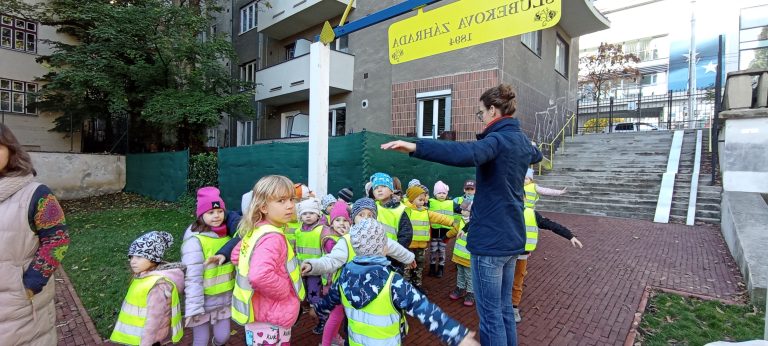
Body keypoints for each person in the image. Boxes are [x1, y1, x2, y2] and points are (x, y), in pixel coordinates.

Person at [381, 84, 543, 346]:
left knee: (491, 316)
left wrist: (415, 147)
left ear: (493, 109)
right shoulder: (520, 140)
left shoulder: (497, 140)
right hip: (513, 239)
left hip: (490, 241)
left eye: (481, 113)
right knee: (504, 312)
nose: (481, 118)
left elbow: (463, 152)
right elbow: (537, 153)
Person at [313, 219, 480, 346]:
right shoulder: (394, 282)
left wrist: (317, 310)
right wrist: (458, 337)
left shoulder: (343, 278)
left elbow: (327, 303)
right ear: (384, 247)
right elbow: (425, 310)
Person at [0, 123, 70, 345]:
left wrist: (31, 283)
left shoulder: (37, 194)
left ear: (11, 150)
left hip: (20, 310)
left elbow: (57, 240)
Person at [230, 175, 306, 345]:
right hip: (272, 317)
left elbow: (237, 256)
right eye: (281, 200)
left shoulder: (256, 230)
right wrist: (284, 290)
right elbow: (259, 275)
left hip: (258, 313)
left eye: (291, 199)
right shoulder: (273, 237)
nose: (290, 205)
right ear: (263, 207)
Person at [513, 169, 583, 322]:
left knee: (517, 281)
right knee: (505, 280)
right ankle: (502, 304)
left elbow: (550, 224)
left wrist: (569, 235)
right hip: (505, 254)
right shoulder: (505, 211)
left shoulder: (532, 214)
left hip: (522, 254)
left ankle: (513, 307)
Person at [299, 198, 416, 283]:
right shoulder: (346, 240)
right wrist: (312, 265)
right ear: (353, 218)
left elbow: (395, 248)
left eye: (370, 215)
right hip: (351, 285)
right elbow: (332, 260)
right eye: (361, 214)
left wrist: (409, 258)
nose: (366, 218)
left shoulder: (379, 236)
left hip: (375, 282)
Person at [181, 187, 238, 346]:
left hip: (224, 299)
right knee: (200, 340)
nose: (216, 216)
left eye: (220, 211)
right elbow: (192, 276)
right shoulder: (195, 241)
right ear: (201, 215)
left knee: (223, 337)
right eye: (211, 212)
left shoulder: (228, 236)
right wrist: (194, 307)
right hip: (202, 301)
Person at [110, 231, 185, 345]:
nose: (133, 261)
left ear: (154, 258)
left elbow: (154, 320)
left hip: (147, 340)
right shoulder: (141, 277)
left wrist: (146, 343)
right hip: (137, 336)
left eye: (139, 257)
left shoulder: (156, 285)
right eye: (131, 257)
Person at [402, 183, 460, 292]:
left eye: (423, 199)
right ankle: (406, 287)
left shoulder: (425, 211)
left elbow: (440, 218)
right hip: (409, 245)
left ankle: (417, 285)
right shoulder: (406, 210)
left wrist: (452, 222)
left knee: (419, 266)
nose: (423, 202)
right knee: (407, 266)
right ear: (412, 199)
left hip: (421, 246)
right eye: (420, 199)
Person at [319, 200, 352, 346]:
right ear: (331, 222)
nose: (342, 223)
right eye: (337, 220)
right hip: (334, 285)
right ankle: (326, 342)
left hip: (340, 283)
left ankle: (333, 337)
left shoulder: (342, 237)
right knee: (335, 315)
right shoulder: (332, 241)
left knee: (337, 316)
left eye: (346, 220)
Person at [295, 197, 329, 334]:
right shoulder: (298, 231)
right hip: (302, 272)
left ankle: (323, 320)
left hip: (317, 272)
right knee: (306, 298)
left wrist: (326, 275)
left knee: (316, 298)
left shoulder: (323, 230)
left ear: (318, 214)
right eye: (304, 214)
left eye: (311, 213)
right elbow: (297, 251)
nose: (307, 216)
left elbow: (326, 252)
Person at [369, 173, 413, 268]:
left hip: (392, 259)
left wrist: (395, 254)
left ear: (392, 190)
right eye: (376, 188)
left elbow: (406, 235)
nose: (379, 190)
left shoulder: (399, 211)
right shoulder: (371, 208)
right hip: (372, 255)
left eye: (383, 186)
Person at [427, 180, 459, 278]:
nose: (441, 195)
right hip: (434, 231)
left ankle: (440, 268)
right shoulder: (430, 202)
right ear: (435, 194)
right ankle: (432, 267)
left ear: (447, 194)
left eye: (444, 193)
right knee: (433, 250)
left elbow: (461, 209)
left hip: (445, 233)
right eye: (439, 193)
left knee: (441, 250)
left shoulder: (451, 203)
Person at [447, 200, 474, 307]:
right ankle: (460, 288)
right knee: (460, 273)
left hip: (468, 256)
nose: (462, 211)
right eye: (461, 209)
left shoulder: (474, 224)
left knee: (469, 275)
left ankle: (471, 293)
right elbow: (454, 230)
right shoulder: (461, 221)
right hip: (459, 254)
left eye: (464, 210)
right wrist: (446, 236)